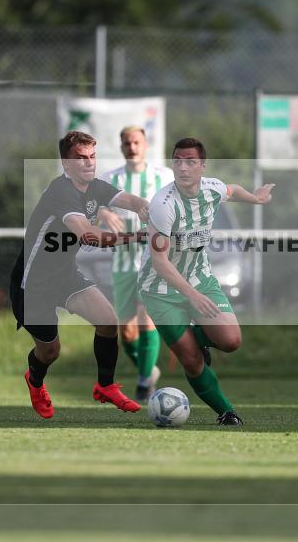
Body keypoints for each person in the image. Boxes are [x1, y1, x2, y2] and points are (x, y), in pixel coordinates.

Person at [10, 130, 151, 419]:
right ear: (65, 163)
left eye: (92, 157)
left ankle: (105, 385)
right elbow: (89, 235)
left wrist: (149, 211)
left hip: (65, 275)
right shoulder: (59, 192)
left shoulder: (96, 187)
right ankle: (34, 381)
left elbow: (133, 201)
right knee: (50, 352)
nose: (88, 163)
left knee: (108, 319)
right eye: (80, 158)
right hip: (32, 285)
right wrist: (138, 235)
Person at [139, 138, 275, 426]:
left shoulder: (211, 188)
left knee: (231, 340)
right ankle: (226, 412)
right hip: (160, 289)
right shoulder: (163, 205)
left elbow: (232, 190)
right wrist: (191, 296)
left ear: (202, 166)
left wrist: (255, 197)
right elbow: (159, 263)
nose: (183, 167)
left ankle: (198, 340)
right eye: (177, 161)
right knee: (189, 359)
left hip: (199, 278)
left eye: (190, 162)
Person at [98, 126, 174, 401]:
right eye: (127, 142)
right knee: (126, 332)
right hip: (122, 262)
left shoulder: (163, 176)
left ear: (145, 144)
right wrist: (104, 212)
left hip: (153, 261)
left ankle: (144, 384)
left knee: (146, 319)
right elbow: (89, 208)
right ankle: (148, 370)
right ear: (121, 146)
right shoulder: (110, 178)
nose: (132, 147)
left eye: (136, 142)